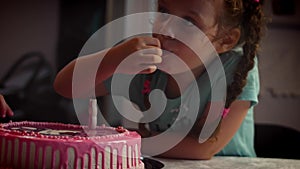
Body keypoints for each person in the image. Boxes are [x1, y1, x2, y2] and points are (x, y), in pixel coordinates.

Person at [54, 0, 266, 159]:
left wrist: (125, 142)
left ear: (226, 40)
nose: (166, 29)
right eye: (164, 11)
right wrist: (114, 58)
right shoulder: (145, 67)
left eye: (189, 22)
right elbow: (64, 86)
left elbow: (203, 147)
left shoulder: (236, 68)